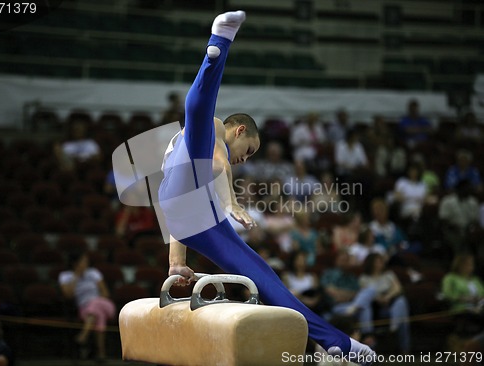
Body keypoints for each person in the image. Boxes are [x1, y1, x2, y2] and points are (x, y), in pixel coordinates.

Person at [156, 11, 374, 365]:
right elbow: (221, 163)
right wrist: (233, 205)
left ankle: (339, 344)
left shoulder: (208, 173)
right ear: (239, 131)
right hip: (187, 185)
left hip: (190, 215)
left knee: (264, 278)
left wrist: (174, 263)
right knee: (200, 113)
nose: (246, 159)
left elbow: (178, 214)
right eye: (250, 150)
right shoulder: (216, 130)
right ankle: (218, 44)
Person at [59, 252, 116, 361]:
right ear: (75, 263)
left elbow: (105, 293)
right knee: (98, 315)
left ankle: (84, 336)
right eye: (83, 261)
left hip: (105, 305)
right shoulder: (66, 276)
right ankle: (101, 354)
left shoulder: (93, 273)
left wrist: (95, 301)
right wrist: (76, 276)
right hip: (84, 309)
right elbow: (68, 295)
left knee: (95, 305)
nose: (86, 263)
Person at [359, 253, 411, 354]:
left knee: (401, 302)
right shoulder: (364, 278)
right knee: (366, 306)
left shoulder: (389, 274)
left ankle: (394, 328)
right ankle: (371, 335)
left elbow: (398, 288)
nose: (380, 264)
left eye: (381, 261)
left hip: (390, 303)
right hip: (375, 306)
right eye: (377, 261)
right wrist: (378, 298)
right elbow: (365, 293)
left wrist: (388, 297)